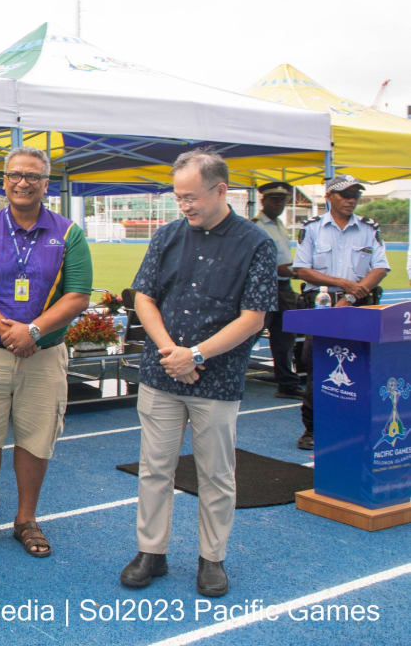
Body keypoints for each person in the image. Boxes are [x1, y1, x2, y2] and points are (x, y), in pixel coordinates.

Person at [119, 149, 276, 598]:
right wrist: (173, 352)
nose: (183, 206)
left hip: (219, 380)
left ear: (221, 190)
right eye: (178, 197)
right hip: (162, 374)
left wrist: (198, 355)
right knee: (154, 468)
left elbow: (254, 317)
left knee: (217, 475)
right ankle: (152, 551)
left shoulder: (256, 244)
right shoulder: (167, 236)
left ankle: (212, 559)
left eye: (191, 197)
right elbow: (144, 297)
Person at [0, 146, 93, 558]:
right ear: (5, 180)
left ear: (45, 184)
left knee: (37, 437)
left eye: (32, 176)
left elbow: (79, 295)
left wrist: (33, 330)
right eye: (15, 175)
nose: (23, 182)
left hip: (44, 352)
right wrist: (7, 330)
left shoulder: (69, 233)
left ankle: (26, 519)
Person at [291, 174, 389, 450]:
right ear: (329, 197)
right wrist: (341, 284)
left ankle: (357, 425)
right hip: (321, 305)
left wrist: (349, 294)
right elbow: (301, 269)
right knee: (318, 366)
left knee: (361, 365)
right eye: (345, 195)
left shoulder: (369, 228)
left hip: (359, 304)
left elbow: (380, 267)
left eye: (355, 195)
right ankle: (312, 428)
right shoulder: (312, 228)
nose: (351, 200)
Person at [251, 181, 302, 399]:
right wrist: (282, 269)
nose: (279, 204)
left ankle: (286, 383)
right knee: (249, 333)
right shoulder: (255, 226)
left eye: (283, 200)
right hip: (262, 287)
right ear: (262, 200)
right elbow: (251, 260)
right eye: (275, 200)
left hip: (283, 287)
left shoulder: (280, 225)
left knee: (284, 338)